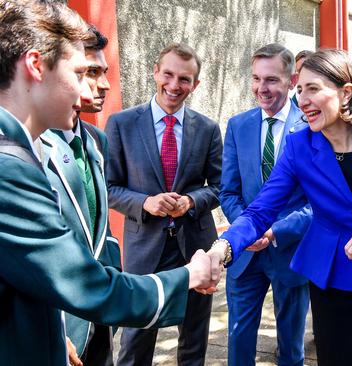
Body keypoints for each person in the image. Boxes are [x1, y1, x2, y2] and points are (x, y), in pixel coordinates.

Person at [0, 1, 219, 365]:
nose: (91, 88)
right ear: (37, 66)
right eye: (80, 72)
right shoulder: (10, 167)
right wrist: (188, 276)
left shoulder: (31, 148)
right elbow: (85, 284)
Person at [210, 49, 352, 366]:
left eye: (313, 88)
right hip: (331, 274)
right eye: (299, 90)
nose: (302, 99)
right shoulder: (298, 147)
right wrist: (223, 247)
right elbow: (260, 211)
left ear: (346, 92)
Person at [106, 42, 223, 365]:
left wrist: (190, 200)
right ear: (155, 72)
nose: (174, 85)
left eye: (184, 79)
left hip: (194, 247)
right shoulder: (122, 124)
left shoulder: (208, 129)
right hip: (144, 248)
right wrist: (145, 202)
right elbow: (109, 186)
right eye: (168, 74)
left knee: (193, 341)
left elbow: (218, 186)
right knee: (135, 340)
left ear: (195, 85)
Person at [220, 43, 311, 366]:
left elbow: (317, 202)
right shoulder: (238, 125)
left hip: (290, 251)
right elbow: (228, 191)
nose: (262, 88)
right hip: (246, 255)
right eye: (256, 79)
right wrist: (249, 230)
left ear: (292, 80)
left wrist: (274, 231)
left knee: (291, 345)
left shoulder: (313, 127)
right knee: (239, 337)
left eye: (271, 80)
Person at [38, 25, 121, 366]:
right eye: (90, 73)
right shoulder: (30, 147)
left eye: (104, 72)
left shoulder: (96, 141)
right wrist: (52, 327)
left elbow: (101, 231)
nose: (104, 84)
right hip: (61, 327)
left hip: (101, 315)